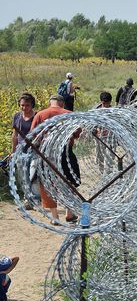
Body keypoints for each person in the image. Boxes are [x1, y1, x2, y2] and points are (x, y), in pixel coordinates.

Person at [30, 95, 78, 225]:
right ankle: (70, 213)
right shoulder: (69, 114)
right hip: (65, 152)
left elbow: (33, 135)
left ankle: (55, 217)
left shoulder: (40, 115)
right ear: (62, 103)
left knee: (47, 184)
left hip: (46, 153)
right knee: (69, 181)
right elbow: (77, 133)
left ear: (50, 102)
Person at [11, 93, 37, 210]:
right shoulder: (17, 116)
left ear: (32, 105)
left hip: (35, 151)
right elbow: (15, 135)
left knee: (33, 175)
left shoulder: (37, 116)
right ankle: (28, 200)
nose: (24, 107)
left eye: (27, 105)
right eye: (22, 105)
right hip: (21, 151)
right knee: (23, 176)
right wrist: (13, 151)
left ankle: (33, 198)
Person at [92, 92, 117, 173]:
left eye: (108, 103)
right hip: (99, 136)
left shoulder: (113, 111)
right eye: (104, 103)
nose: (106, 105)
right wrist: (94, 130)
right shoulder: (96, 110)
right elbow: (92, 122)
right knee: (100, 155)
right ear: (101, 102)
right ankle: (101, 171)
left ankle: (108, 173)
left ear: (110, 102)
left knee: (110, 155)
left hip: (111, 136)